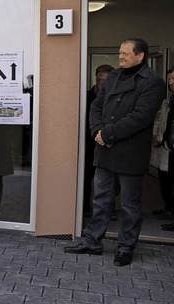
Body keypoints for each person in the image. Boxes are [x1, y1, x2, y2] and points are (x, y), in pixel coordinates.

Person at [65, 38, 166, 266]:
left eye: (125, 53)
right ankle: (92, 241)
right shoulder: (114, 77)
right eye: (119, 53)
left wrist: (108, 134)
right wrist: (97, 131)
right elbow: (96, 106)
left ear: (140, 56)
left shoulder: (153, 82)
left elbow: (140, 116)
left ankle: (125, 246)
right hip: (105, 150)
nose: (120, 57)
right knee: (101, 199)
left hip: (130, 153)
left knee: (130, 204)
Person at [84, 64, 115, 217]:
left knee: (109, 180)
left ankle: (109, 210)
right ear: (96, 80)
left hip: (110, 143)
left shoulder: (116, 97)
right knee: (86, 177)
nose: (103, 83)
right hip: (89, 144)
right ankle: (84, 208)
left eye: (106, 80)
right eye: (100, 79)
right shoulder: (86, 97)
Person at [160, 67, 174, 230]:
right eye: (169, 79)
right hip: (168, 147)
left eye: (173, 79)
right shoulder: (170, 100)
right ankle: (169, 210)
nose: (170, 82)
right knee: (167, 179)